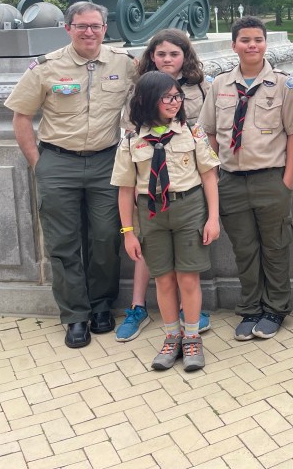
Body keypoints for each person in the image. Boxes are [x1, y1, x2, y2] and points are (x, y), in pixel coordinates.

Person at [5, 1, 136, 349]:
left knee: (106, 237)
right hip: (58, 162)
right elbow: (21, 117)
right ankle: (75, 315)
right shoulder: (46, 67)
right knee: (63, 243)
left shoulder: (124, 64)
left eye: (95, 26)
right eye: (81, 26)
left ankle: (101, 305)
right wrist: (39, 164)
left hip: (107, 163)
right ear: (68, 28)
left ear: (105, 29)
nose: (89, 32)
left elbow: (150, 97)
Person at [198, 16, 293, 341]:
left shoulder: (283, 84)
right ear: (234, 45)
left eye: (258, 39)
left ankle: (275, 309)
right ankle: (250, 309)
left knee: (275, 247)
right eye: (245, 40)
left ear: (265, 44)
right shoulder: (219, 85)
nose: (252, 45)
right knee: (244, 250)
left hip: (270, 179)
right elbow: (210, 132)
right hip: (231, 181)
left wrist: (287, 180)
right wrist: (215, 174)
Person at [111, 72, 220, 371]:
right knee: (163, 279)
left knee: (188, 277)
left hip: (189, 208)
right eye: (167, 97)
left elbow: (209, 176)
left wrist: (213, 218)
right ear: (148, 100)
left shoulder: (192, 132)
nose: (175, 102)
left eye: (177, 96)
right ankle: (172, 336)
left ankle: (192, 337)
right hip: (151, 213)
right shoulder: (132, 140)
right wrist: (128, 233)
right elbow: (125, 190)